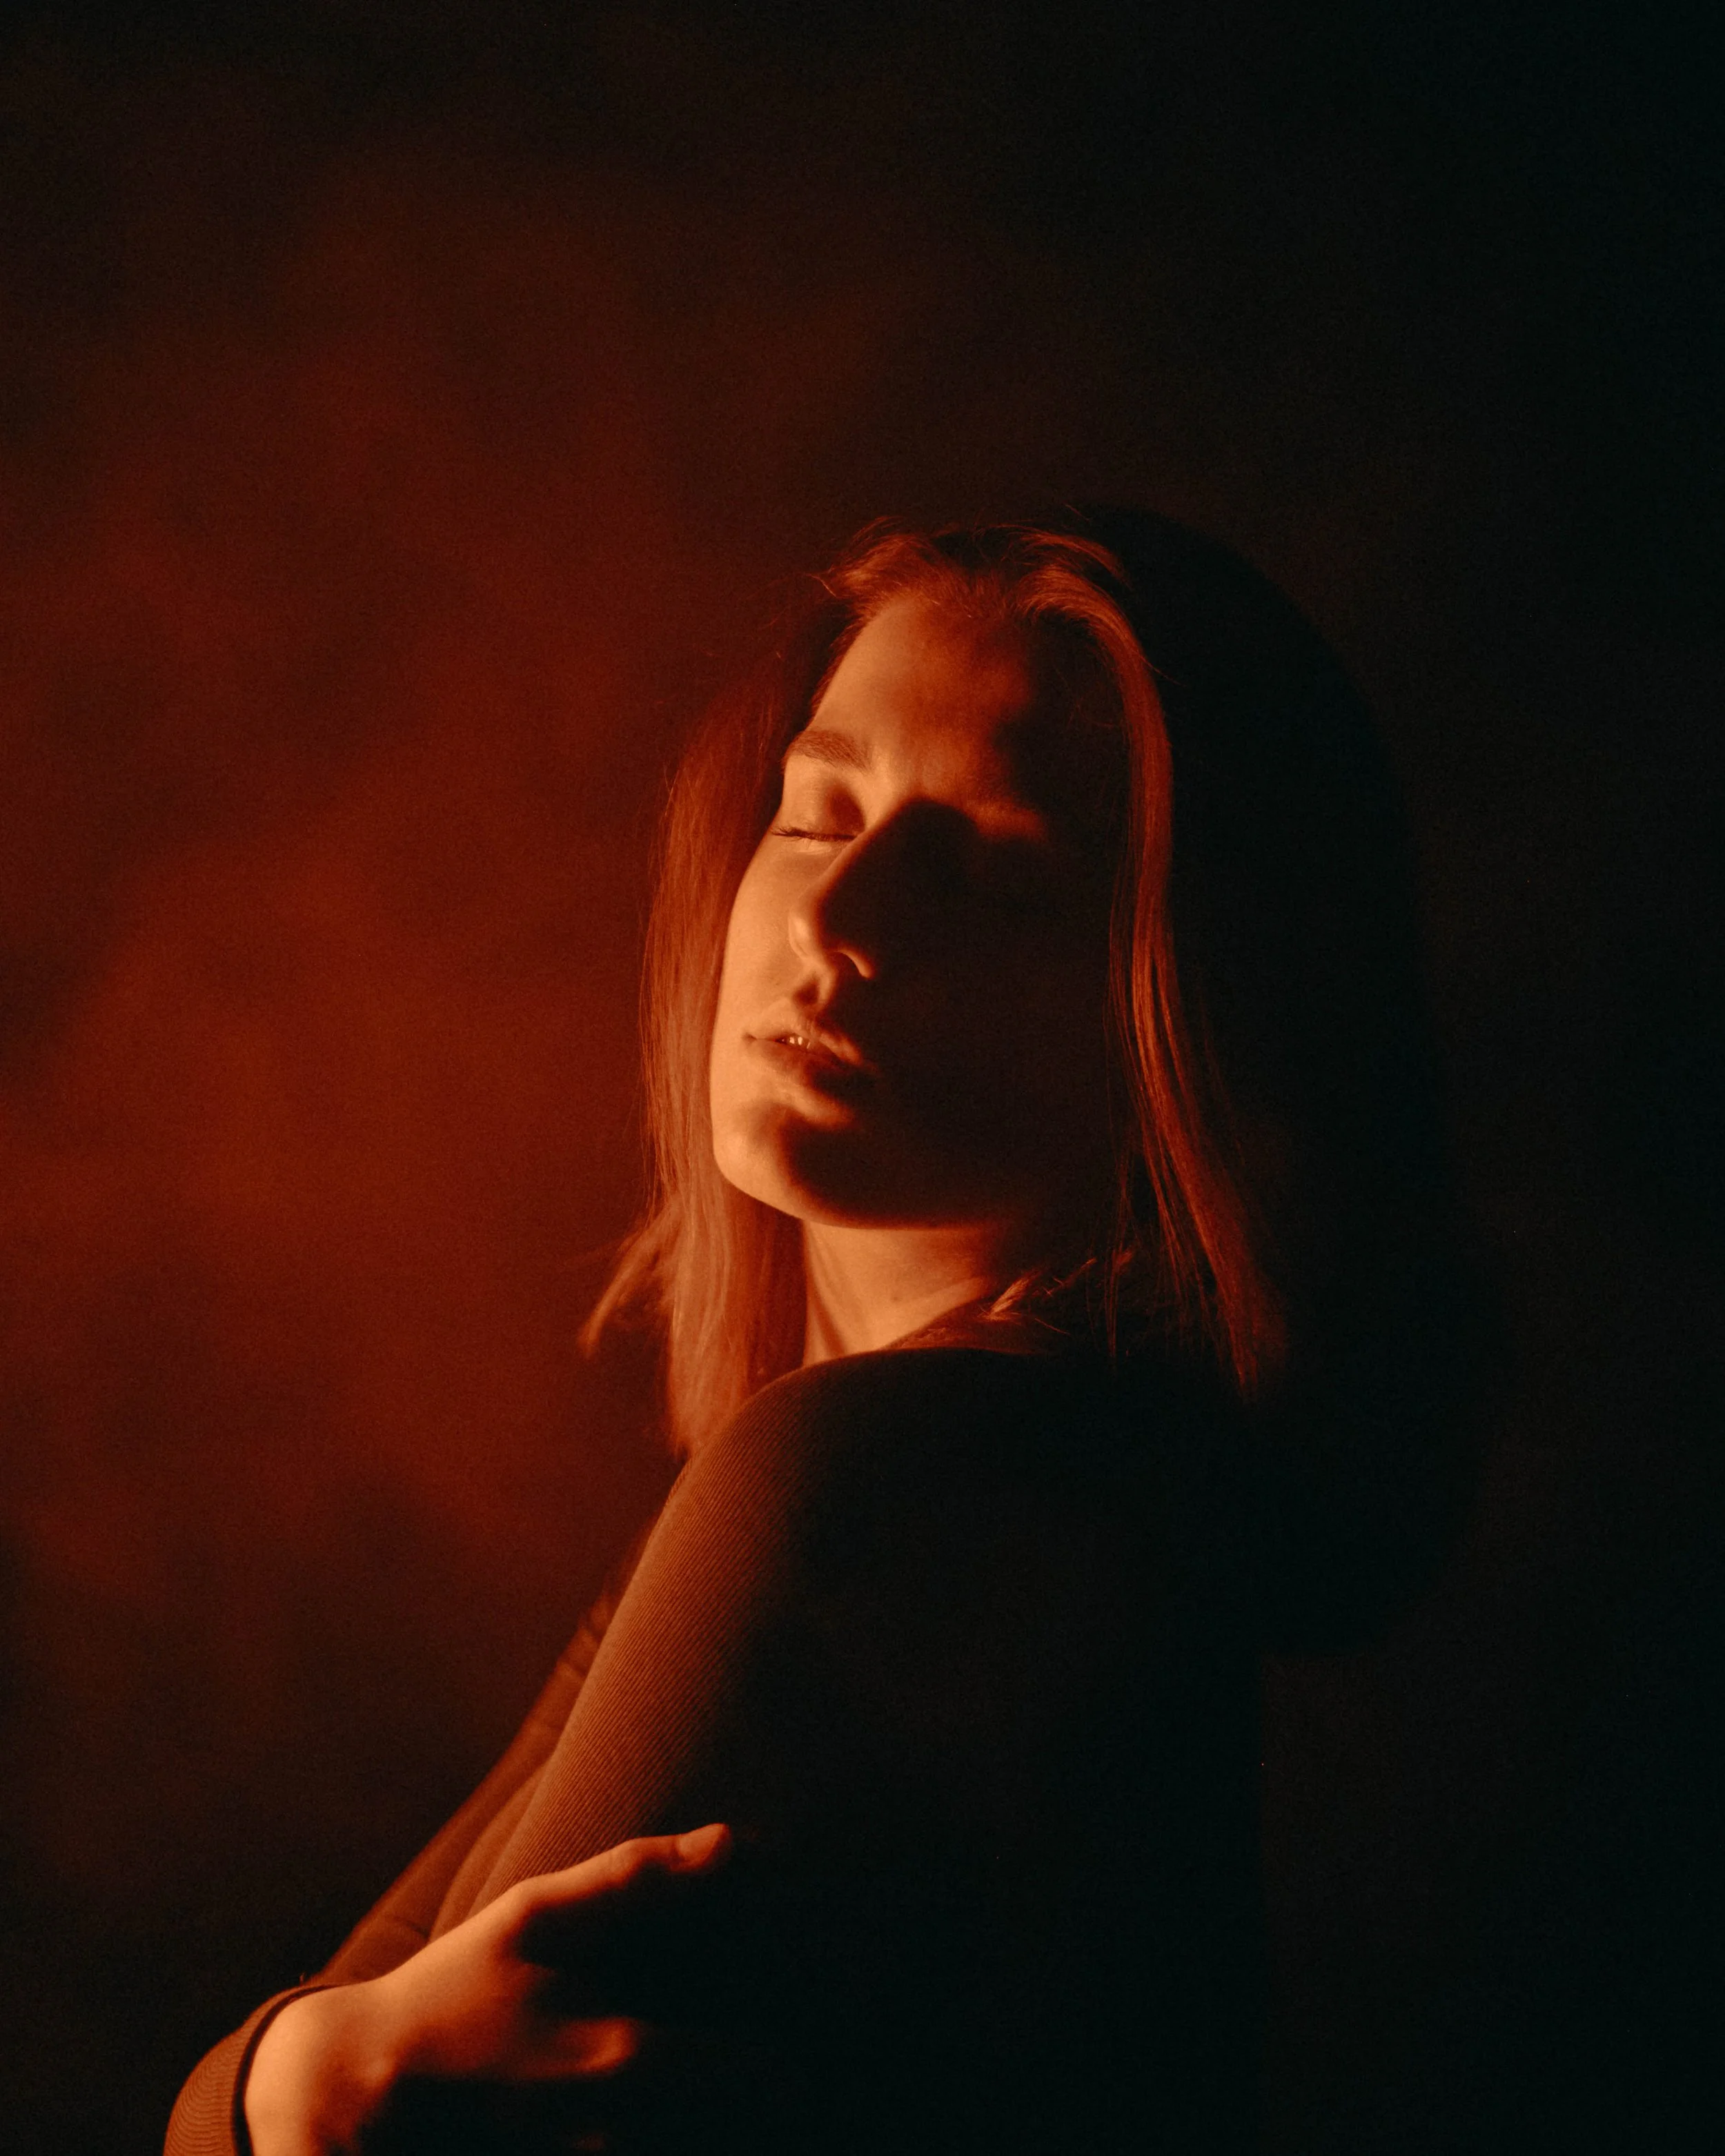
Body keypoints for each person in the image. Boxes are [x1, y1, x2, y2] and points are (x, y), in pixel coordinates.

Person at [166, 513, 1488, 2156]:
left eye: (996, 868)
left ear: (1187, 1006)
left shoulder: (900, 1471)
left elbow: (366, 2115)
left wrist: (276, 2083)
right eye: (819, 809)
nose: (839, 911)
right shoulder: (937, 1470)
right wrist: (296, 2080)